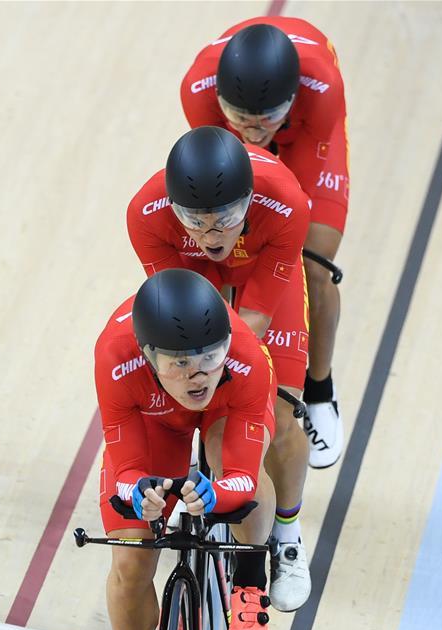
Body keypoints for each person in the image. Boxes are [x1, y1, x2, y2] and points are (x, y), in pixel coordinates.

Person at [95, 268, 277, 630]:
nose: (198, 375)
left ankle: (249, 581)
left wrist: (218, 493)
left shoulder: (243, 359)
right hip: (153, 422)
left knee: (230, 467)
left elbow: (243, 476)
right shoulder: (114, 357)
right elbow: (125, 464)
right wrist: (138, 491)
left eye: (209, 357)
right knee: (130, 566)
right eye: (180, 362)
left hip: (226, 412)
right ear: (148, 356)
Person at [127, 125, 312, 612]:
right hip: (196, 281)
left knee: (280, 414)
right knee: (188, 360)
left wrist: (239, 394)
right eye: (195, 221)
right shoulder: (147, 215)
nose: (211, 234)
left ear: (248, 202)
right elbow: (185, 315)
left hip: (264, 273)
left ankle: (287, 535)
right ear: (174, 208)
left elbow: (250, 328)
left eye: (225, 219)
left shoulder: (286, 203)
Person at [180, 17, 349, 468]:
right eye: (242, 119)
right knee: (215, 258)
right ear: (220, 101)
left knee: (311, 262)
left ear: (290, 100)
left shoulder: (321, 90)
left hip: (303, 136)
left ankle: (320, 389)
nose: (254, 132)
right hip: (242, 136)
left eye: (265, 120)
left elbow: (292, 199)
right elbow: (215, 168)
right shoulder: (197, 90)